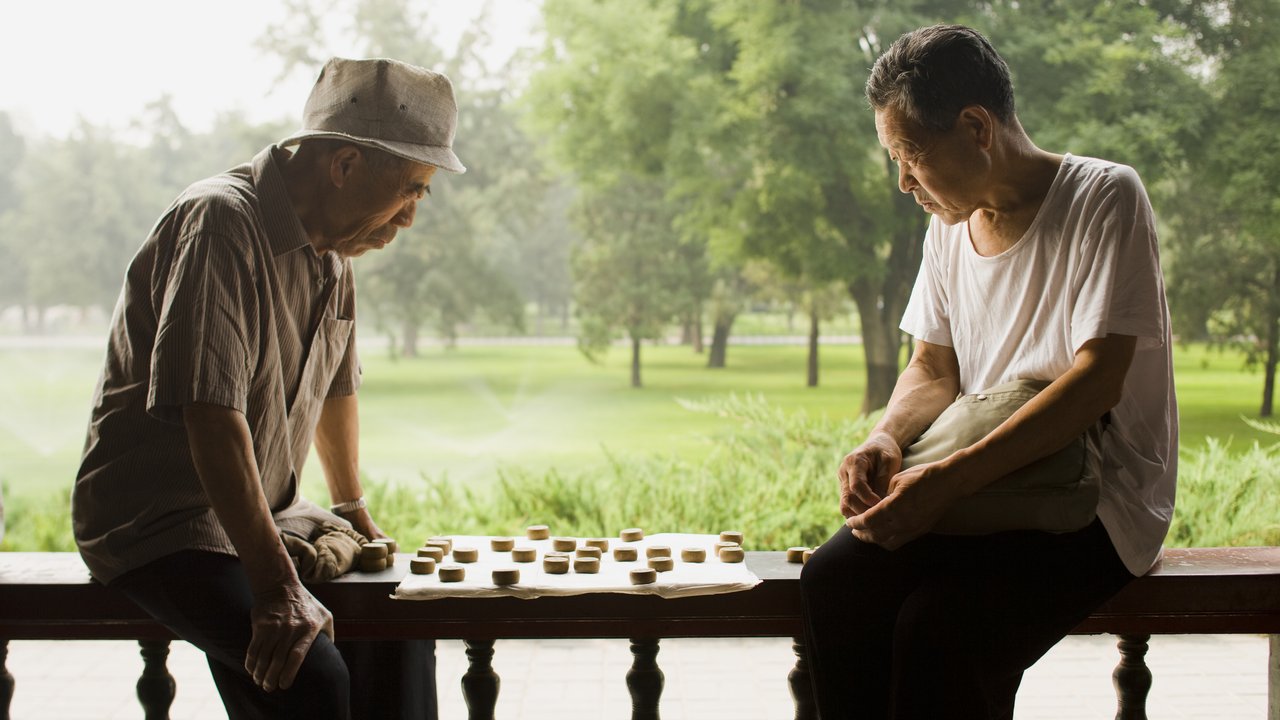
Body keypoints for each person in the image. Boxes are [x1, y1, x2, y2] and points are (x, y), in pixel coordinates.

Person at [800, 25, 1177, 720]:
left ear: (976, 127)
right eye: (897, 162)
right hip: (979, 486)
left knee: (939, 633)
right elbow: (933, 367)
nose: (906, 183)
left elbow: (1097, 380)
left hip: (1095, 501)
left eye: (911, 157)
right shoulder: (946, 226)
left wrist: (948, 480)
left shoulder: (1105, 198)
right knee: (833, 582)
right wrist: (886, 439)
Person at [71, 57, 466, 719]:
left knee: (402, 628)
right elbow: (211, 414)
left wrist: (351, 505)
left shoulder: (335, 253)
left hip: (262, 513)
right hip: (164, 526)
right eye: (412, 189)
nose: (409, 217)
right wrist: (277, 587)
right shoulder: (220, 223)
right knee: (311, 675)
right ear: (344, 165)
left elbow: (336, 387)